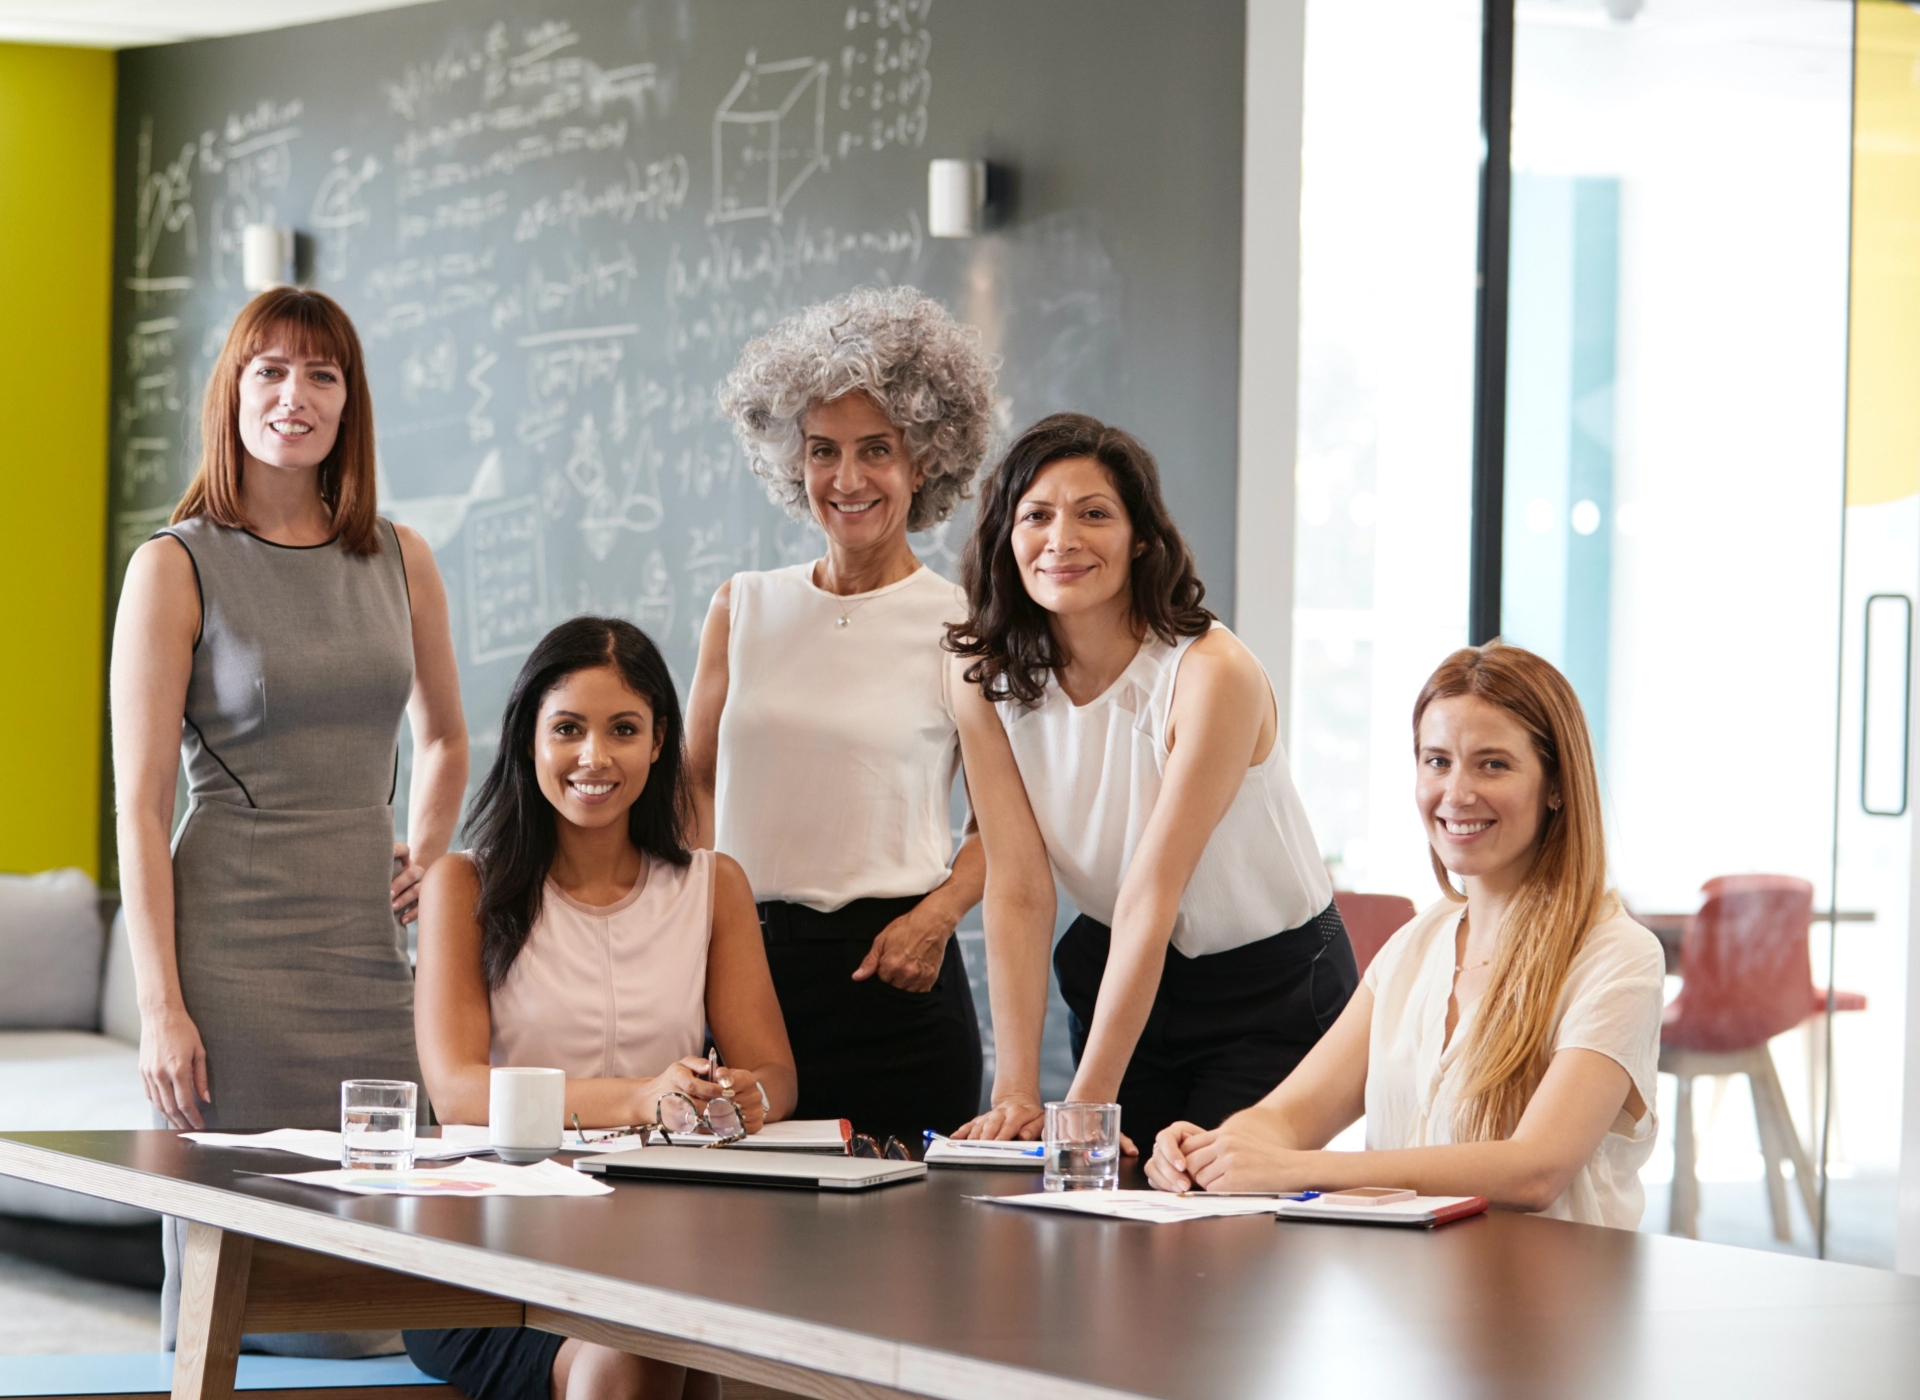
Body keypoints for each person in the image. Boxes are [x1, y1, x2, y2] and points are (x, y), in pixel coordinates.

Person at [110, 287, 467, 1348]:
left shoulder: (403, 557)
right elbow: (139, 799)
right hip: (233, 956)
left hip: (370, 951)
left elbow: (447, 736)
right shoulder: (174, 563)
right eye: (268, 370)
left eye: (321, 373)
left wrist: (427, 852)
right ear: (233, 391)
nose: (293, 395)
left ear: (349, 401)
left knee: (393, 1257)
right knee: (242, 1263)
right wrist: (160, 1005)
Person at [1145, 643, 1666, 1229]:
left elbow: (1535, 1169)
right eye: (1437, 761)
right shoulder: (1415, 947)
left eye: (1493, 764)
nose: (1457, 792)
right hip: (1406, 1298)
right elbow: (1287, 1119)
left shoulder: (1618, 956)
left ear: (1556, 786)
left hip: (1552, 1308)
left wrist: (1299, 1169)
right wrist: (1214, 1149)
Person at [408, 616, 795, 1400]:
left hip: (663, 1232)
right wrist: (641, 1099)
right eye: (568, 729)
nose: (595, 757)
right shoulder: (462, 885)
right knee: (637, 1355)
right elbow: (457, 1091)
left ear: (659, 744)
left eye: (624, 729)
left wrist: (738, 1098)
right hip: (490, 1242)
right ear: (528, 741)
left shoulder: (712, 887)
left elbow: (777, 1074)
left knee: (675, 1339)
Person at [947, 414, 1356, 1153]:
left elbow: (1152, 893)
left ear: (1141, 537)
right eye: (1036, 515)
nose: (1061, 540)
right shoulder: (982, 674)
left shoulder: (1211, 674)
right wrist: (1013, 1089)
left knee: (1216, 1215)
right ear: (1007, 535)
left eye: (1094, 514)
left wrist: (1087, 1106)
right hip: (1121, 969)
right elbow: (1017, 884)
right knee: (1110, 1227)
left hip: (1269, 990)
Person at [685, 285, 998, 1141]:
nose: (847, 480)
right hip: (743, 975)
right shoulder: (740, 607)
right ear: (794, 461)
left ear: (924, 461)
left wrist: (935, 920)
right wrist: (705, 932)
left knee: (902, 1266)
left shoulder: (962, 628)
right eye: (823, 450)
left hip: (896, 983)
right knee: (736, 1257)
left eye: (876, 451)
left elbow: (1008, 824)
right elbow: (695, 782)